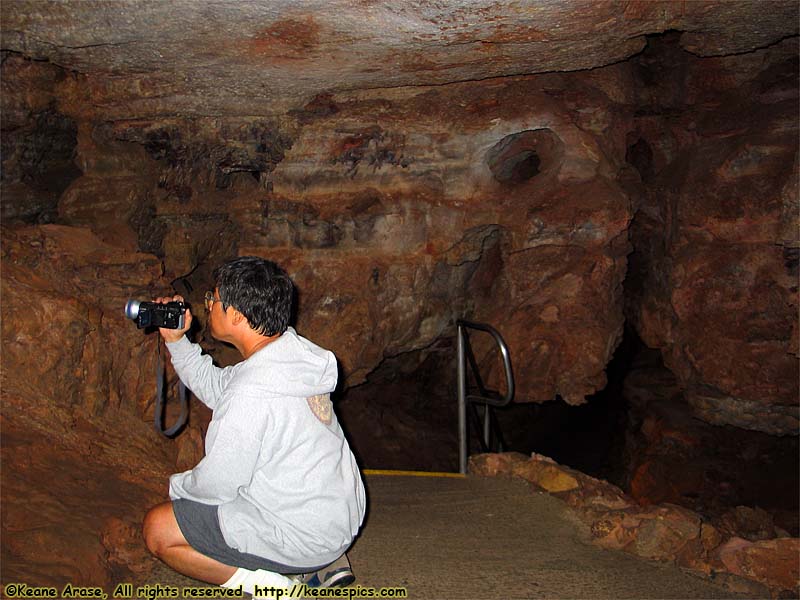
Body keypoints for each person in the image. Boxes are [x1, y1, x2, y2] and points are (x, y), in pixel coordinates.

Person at [142, 256, 366, 594]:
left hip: (305, 533)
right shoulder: (292, 355)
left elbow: (216, 485)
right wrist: (177, 342)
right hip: (336, 517)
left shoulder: (254, 390)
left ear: (234, 315)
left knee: (158, 528)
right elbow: (219, 387)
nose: (208, 307)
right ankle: (321, 560)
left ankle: (272, 585)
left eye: (212, 299)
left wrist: (178, 490)